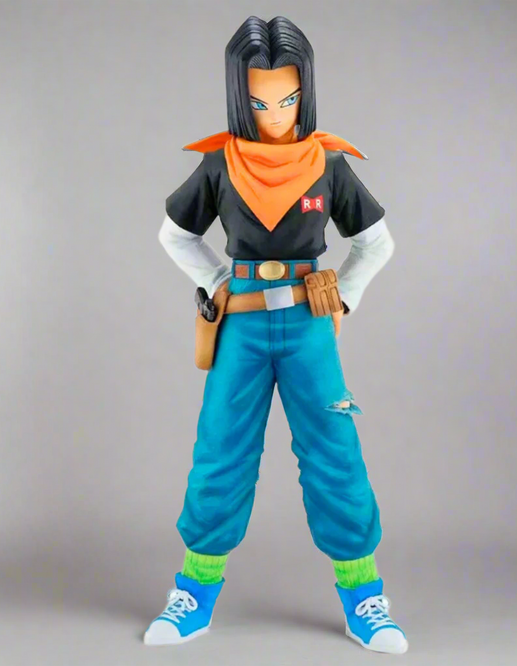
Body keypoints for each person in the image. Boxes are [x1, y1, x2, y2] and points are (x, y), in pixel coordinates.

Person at [144, 15, 408, 654]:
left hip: (309, 326)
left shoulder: (327, 163)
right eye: (260, 102)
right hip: (241, 326)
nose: (275, 115)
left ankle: (364, 596)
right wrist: (217, 282)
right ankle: (195, 589)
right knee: (221, 450)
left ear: (305, 91)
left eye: (287, 99)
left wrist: (344, 296)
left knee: (334, 451)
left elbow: (376, 243)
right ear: (239, 98)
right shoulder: (221, 164)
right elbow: (175, 235)